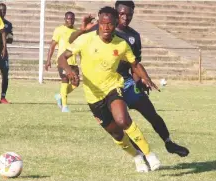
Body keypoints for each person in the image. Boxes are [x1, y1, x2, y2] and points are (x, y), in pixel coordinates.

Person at [70, 1, 189, 157]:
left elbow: (135, 63)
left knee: (151, 112)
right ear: (115, 13)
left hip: (127, 83)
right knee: (123, 123)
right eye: (122, 14)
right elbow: (72, 41)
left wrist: (140, 80)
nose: (125, 17)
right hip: (108, 88)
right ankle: (140, 155)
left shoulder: (134, 36)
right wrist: (81, 30)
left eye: (129, 14)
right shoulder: (100, 29)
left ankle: (168, 142)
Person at [58, 6, 161, 172]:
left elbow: (134, 64)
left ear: (115, 24)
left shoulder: (121, 44)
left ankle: (150, 154)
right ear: (98, 22)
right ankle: (137, 157)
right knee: (117, 134)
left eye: (110, 24)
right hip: (93, 97)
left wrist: (145, 77)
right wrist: (69, 71)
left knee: (122, 120)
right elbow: (62, 57)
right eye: (102, 23)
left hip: (113, 87)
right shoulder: (86, 39)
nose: (106, 28)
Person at [45, 11, 79, 113]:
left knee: (76, 83)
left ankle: (60, 95)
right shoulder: (59, 30)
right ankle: (64, 106)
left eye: (72, 19)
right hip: (62, 61)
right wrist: (48, 60)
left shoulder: (76, 31)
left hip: (73, 61)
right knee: (65, 80)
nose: (70, 21)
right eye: (68, 19)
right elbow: (52, 46)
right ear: (65, 19)